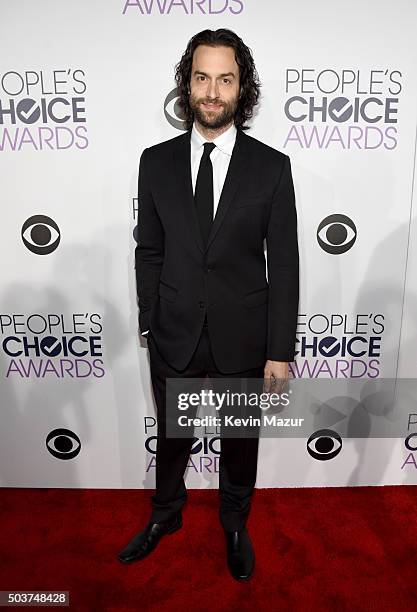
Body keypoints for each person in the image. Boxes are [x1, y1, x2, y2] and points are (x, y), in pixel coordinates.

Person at [118, 28, 299, 581]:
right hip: (173, 331)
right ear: (187, 83)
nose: (212, 91)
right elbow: (149, 249)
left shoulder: (272, 167)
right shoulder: (155, 163)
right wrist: (151, 319)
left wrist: (279, 351)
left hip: (243, 337)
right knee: (173, 436)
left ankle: (234, 523)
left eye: (225, 78)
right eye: (202, 77)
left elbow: (285, 264)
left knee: (240, 440)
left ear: (242, 88)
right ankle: (166, 514)